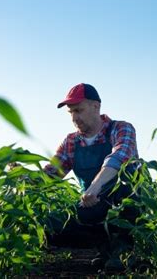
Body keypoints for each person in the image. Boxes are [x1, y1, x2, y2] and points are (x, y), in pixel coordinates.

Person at [44, 83, 140, 270]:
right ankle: (104, 247)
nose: (74, 117)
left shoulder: (121, 128)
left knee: (128, 173)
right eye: (70, 113)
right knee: (52, 223)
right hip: (91, 205)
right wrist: (22, 176)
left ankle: (125, 249)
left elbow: (120, 156)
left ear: (96, 106)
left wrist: (95, 187)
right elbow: (51, 174)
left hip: (122, 203)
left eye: (78, 110)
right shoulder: (71, 141)